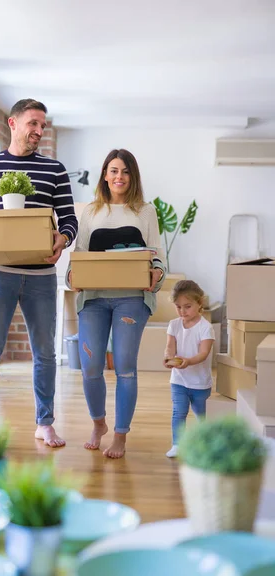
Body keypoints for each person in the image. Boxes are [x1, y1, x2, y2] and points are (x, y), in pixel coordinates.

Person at [0, 99, 78, 447]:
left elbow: (69, 219)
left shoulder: (54, 170)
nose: (39, 130)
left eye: (43, 125)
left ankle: (45, 423)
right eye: (33, 123)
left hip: (41, 277)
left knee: (45, 353)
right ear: (13, 123)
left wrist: (63, 237)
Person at [67, 148, 166, 458]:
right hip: (94, 298)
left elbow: (158, 255)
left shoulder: (145, 211)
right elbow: (79, 255)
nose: (118, 176)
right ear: (105, 175)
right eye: (113, 170)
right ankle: (99, 424)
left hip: (132, 299)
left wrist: (158, 274)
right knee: (91, 365)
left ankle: (120, 435)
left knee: (124, 366)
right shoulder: (91, 212)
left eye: (124, 171)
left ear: (132, 176)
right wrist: (72, 277)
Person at [163, 280, 215, 458]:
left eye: (187, 306)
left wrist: (188, 361)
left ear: (200, 303)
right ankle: (177, 444)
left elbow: (204, 353)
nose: (182, 311)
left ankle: (206, 443)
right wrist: (168, 357)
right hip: (178, 380)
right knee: (179, 412)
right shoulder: (174, 324)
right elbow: (170, 346)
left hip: (200, 382)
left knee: (201, 415)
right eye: (178, 307)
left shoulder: (205, 328)